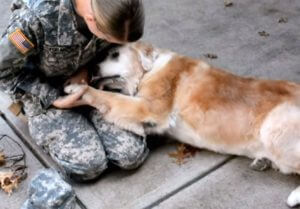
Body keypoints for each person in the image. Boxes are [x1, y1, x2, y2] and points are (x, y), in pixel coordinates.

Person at [0, 0, 149, 181]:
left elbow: (118, 46)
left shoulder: (119, 8)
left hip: (92, 82)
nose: (107, 41)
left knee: (130, 154)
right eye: (107, 38)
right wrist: (54, 98)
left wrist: (88, 71)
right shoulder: (35, 18)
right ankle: (38, 119)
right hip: (44, 93)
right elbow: (4, 70)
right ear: (90, 19)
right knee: (90, 165)